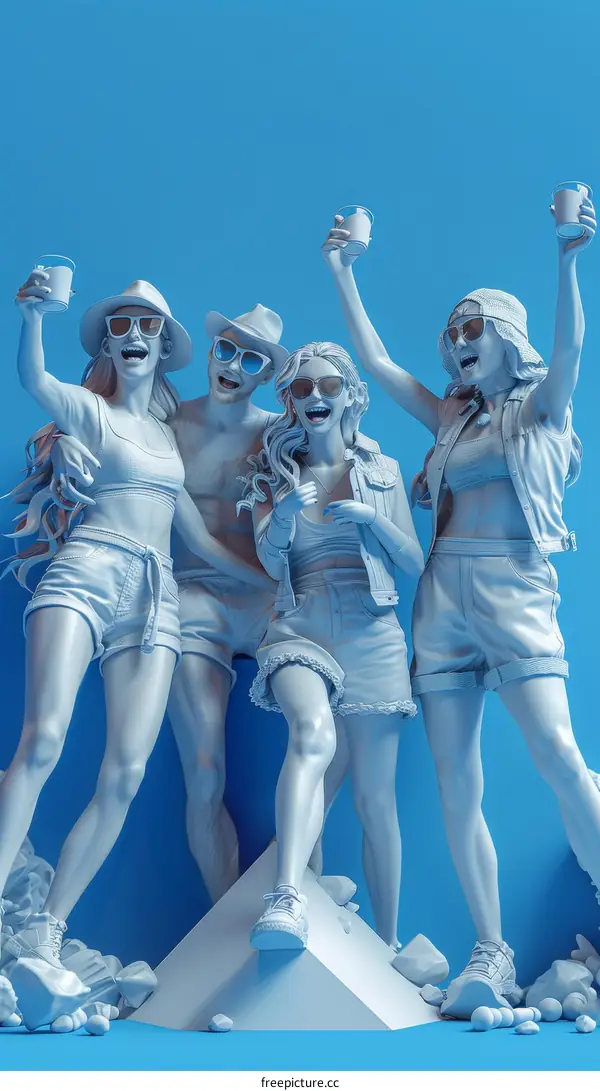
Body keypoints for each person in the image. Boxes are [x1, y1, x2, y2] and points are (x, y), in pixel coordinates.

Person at [322, 193, 600, 1016]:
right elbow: (374, 363)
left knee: (555, 749)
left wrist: (566, 257)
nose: (457, 340)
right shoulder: (449, 413)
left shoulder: (543, 407)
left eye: (473, 327)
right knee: (456, 783)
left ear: (507, 340)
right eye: (453, 330)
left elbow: (572, 347)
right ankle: (491, 948)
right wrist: (340, 273)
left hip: (515, 589)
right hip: (442, 594)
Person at [0, 276, 264, 968]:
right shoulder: (91, 411)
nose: (134, 335)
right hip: (88, 570)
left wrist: (280, 582)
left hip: (156, 598)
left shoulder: (166, 438)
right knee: (44, 738)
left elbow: (201, 544)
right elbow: (35, 378)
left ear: (165, 344)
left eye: (147, 325)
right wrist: (33, 316)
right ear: (109, 343)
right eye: (121, 325)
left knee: (127, 770)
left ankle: (45, 928)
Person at [51, 305, 285, 904]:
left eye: (252, 359)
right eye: (227, 350)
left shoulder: (278, 432)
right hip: (194, 600)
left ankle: (296, 893)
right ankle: (224, 918)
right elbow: (97, 421)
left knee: (326, 730)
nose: (233, 366)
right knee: (204, 777)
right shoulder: (166, 423)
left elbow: (334, 452)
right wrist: (61, 451)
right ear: (210, 352)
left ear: (264, 374)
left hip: (268, 605)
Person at [239, 341, 423, 950]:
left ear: (349, 394)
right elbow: (270, 561)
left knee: (375, 799)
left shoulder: (384, 472)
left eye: (327, 386)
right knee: (311, 736)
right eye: (300, 388)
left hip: (373, 632)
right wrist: (286, 512)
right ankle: (287, 898)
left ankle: (391, 947)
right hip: (301, 628)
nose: (315, 397)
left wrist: (372, 520)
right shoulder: (269, 475)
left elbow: (414, 562)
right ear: (288, 403)